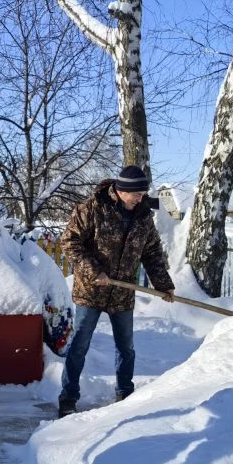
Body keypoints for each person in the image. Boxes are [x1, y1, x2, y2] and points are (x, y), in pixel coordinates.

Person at [58, 165, 175, 419]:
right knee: (79, 345)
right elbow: (69, 242)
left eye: (143, 194)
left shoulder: (143, 216)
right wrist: (93, 271)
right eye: (137, 194)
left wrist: (163, 284)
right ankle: (68, 397)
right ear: (122, 191)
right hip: (91, 291)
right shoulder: (91, 208)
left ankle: (125, 394)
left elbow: (152, 252)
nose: (140, 198)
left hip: (122, 293)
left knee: (126, 348)